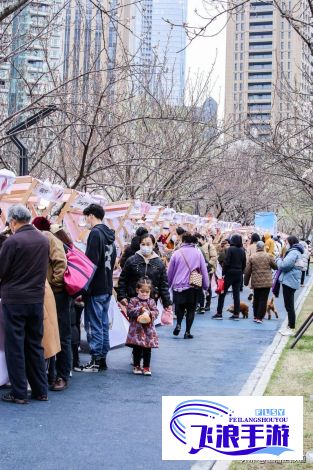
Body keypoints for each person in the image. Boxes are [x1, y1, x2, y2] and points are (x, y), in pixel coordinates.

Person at [0, 204, 49, 404]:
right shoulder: (43, 240)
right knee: (35, 345)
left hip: (15, 300)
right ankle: (40, 390)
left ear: (13, 221)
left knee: (15, 346)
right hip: (36, 299)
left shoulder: (13, 242)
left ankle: (19, 392)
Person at [32, 216, 70, 391]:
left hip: (57, 293)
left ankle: (62, 375)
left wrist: (55, 285)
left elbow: (60, 262)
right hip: (51, 292)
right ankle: (53, 374)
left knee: (61, 334)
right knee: (53, 333)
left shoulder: (47, 237)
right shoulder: (47, 237)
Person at [79, 204, 117, 372]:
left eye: (86, 216)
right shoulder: (110, 236)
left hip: (96, 287)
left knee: (94, 324)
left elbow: (90, 265)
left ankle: (95, 360)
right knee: (102, 324)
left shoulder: (95, 234)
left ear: (91, 216)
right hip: (107, 285)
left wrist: (83, 289)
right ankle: (101, 359)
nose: (85, 220)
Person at [167, 232, 209, 338]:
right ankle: (187, 332)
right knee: (191, 309)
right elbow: (203, 270)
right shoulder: (198, 252)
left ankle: (178, 324)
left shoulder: (176, 253)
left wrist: (168, 284)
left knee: (179, 307)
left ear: (183, 241)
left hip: (178, 286)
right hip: (193, 286)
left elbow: (170, 271)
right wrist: (205, 285)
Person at [118, 233, 172, 309]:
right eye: (143, 244)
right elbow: (123, 280)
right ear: (139, 245)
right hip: (133, 301)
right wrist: (122, 296)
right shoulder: (131, 260)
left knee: (150, 319)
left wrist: (167, 302)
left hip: (151, 302)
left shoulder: (159, 263)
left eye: (148, 244)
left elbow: (163, 285)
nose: (145, 246)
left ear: (153, 245)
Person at [126, 278, 159, 376]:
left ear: (150, 292)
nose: (144, 294)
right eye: (142, 291)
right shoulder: (133, 300)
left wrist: (149, 312)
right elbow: (129, 311)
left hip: (148, 330)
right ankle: (136, 365)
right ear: (137, 290)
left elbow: (156, 312)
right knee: (137, 348)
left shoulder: (152, 301)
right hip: (136, 329)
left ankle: (146, 366)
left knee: (147, 349)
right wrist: (140, 309)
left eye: (147, 292)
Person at [212, 234, 246, 321]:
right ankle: (236, 314)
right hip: (238, 274)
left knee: (222, 293)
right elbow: (244, 264)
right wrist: (241, 272)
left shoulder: (230, 249)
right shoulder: (242, 250)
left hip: (229, 273)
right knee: (236, 294)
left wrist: (223, 273)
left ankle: (219, 313)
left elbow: (226, 262)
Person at [276, 236, 304, 336]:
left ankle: (291, 327)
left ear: (290, 242)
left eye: (286, 242)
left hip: (289, 281)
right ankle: (289, 326)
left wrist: (278, 260)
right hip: (291, 280)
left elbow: (284, 265)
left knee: (289, 305)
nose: (285, 244)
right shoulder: (297, 252)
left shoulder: (293, 252)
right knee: (289, 305)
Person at [244, 241, 277, 323]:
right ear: (264, 247)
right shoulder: (269, 256)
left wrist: (246, 281)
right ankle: (259, 317)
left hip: (256, 281)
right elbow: (275, 267)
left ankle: (255, 316)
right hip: (267, 282)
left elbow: (247, 271)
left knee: (256, 299)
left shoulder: (252, 257)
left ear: (257, 248)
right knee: (263, 299)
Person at [196, 234, 217, 313]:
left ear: (202, 238)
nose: (197, 241)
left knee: (207, 286)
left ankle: (207, 304)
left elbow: (214, 257)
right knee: (198, 287)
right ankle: (200, 304)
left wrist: (207, 265)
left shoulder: (209, 246)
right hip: (198, 271)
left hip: (208, 270)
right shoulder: (196, 247)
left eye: (198, 239)